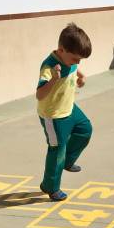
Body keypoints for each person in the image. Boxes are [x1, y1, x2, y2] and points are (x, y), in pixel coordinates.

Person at [36, 23, 93, 202]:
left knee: (85, 130)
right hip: (53, 116)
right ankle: (50, 186)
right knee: (57, 150)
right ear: (61, 50)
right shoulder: (49, 67)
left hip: (69, 108)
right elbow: (39, 95)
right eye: (76, 59)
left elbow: (73, 69)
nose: (78, 63)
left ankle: (67, 161)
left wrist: (81, 76)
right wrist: (54, 79)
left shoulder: (70, 60)